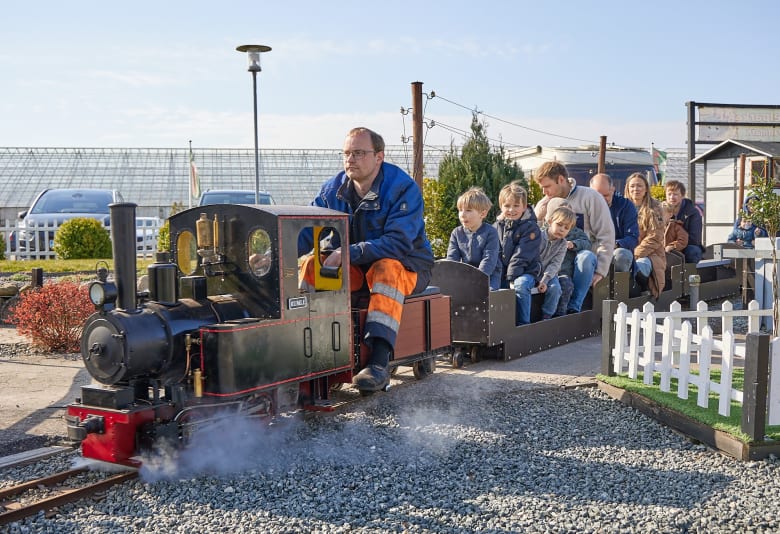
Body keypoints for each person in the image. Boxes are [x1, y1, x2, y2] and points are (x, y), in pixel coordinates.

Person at [297, 127, 434, 393]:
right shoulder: (331, 191)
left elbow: (398, 243)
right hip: (357, 267)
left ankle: (379, 363)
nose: (350, 159)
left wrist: (348, 253)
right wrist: (270, 256)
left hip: (408, 266)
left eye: (359, 153)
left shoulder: (403, 188)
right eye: (347, 153)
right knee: (314, 264)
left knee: (386, 268)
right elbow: (305, 230)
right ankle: (315, 352)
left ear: (379, 156)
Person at [533, 162, 615, 313]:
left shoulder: (591, 197)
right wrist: (538, 215)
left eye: (547, 186)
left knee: (585, 257)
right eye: (542, 188)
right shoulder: (544, 203)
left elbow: (606, 235)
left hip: (582, 257)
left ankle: (575, 305)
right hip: (554, 260)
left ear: (561, 180)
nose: (544, 192)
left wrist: (601, 270)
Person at [494, 181, 542, 325]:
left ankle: (523, 324)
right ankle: (499, 325)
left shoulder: (531, 228)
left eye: (516, 205)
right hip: (504, 272)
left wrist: (510, 277)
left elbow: (522, 255)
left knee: (520, 285)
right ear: (501, 207)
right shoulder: (496, 227)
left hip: (527, 271)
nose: (511, 210)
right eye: (507, 206)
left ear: (524, 206)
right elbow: (493, 251)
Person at [446, 187, 501, 290]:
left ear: (482, 214)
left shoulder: (491, 232)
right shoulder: (457, 233)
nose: (462, 214)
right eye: (460, 210)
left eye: (468, 210)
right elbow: (452, 259)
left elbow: (489, 260)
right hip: (466, 276)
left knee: (484, 294)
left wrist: (477, 279)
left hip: (488, 276)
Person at [625, 172, 666, 298]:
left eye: (639, 186)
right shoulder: (622, 207)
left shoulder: (655, 208)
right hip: (625, 252)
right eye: (632, 186)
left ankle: (644, 288)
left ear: (646, 189)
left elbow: (655, 237)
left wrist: (635, 254)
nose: (635, 189)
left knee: (639, 265)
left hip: (650, 255)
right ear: (627, 188)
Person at [589, 173, 639, 273]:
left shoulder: (626, 206)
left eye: (606, 195)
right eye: (598, 195)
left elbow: (632, 237)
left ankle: (620, 286)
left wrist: (614, 244)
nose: (602, 200)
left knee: (622, 255)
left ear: (612, 190)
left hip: (615, 249)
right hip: (591, 249)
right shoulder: (584, 205)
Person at [537, 199, 577, 320]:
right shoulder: (538, 236)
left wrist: (545, 280)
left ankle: (547, 315)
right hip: (533, 270)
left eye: (566, 228)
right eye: (559, 225)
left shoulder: (562, 244)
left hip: (549, 274)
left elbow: (555, 264)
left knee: (555, 289)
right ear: (550, 222)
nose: (562, 230)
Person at [664, 180, 703, 264]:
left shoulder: (692, 213)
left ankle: (690, 274)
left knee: (692, 251)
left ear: (682, 196)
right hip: (665, 246)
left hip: (686, 246)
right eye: (669, 194)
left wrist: (674, 246)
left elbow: (694, 239)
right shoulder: (662, 211)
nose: (672, 197)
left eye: (675, 194)